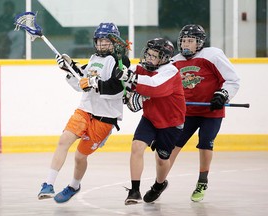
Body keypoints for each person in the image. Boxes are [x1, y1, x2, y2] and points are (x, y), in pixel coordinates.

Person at [37, 22, 130, 203]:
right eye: (100, 40)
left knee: (80, 156)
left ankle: (74, 186)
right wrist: (69, 68)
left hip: (104, 118)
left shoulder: (121, 61)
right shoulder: (94, 58)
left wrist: (96, 83)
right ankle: (48, 184)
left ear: (115, 42)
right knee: (64, 140)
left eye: (106, 40)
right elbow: (81, 84)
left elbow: (119, 90)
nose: (102, 44)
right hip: (85, 110)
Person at [170, 24, 240, 202]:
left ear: (199, 42)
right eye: (184, 40)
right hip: (187, 112)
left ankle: (202, 181)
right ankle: (159, 181)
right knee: (171, 145)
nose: (186, 44)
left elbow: (232, 80)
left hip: (211, 111)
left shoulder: (212, 55)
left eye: (191, 41)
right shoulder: (175, 61)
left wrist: (222, 94)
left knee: (205, 145)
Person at [116, 38, 186, 204]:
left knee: (162, 160)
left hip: (171, 123)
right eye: (148, 54)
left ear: (164, 58)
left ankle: (159, 185)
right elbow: (123, 78)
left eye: (155, 55)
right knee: (136, 147)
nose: (149, 58)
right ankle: (134, 191)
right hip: (150, 119)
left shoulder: (171, 71)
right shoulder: (140, 68)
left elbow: (154, 87)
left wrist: (132, 80)